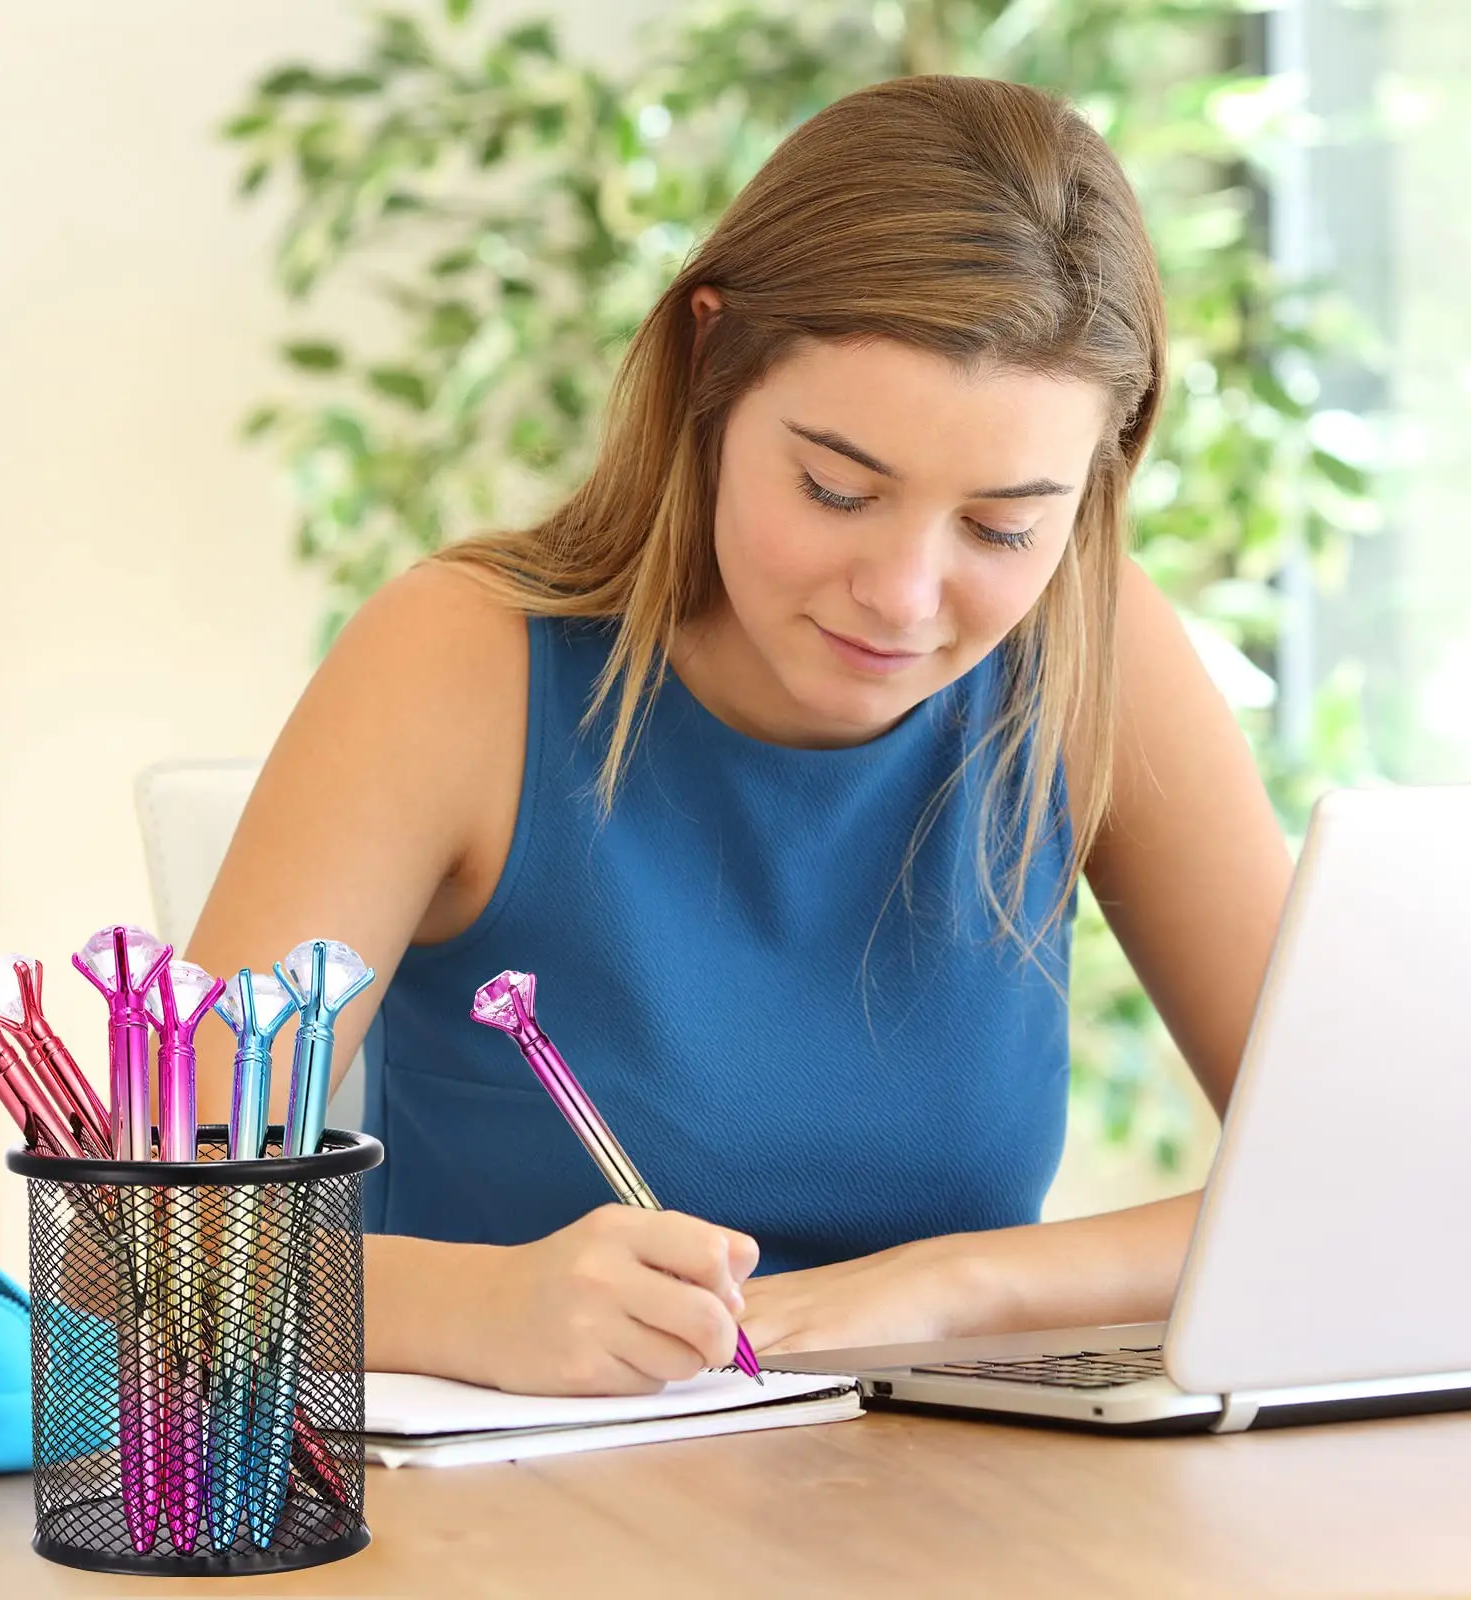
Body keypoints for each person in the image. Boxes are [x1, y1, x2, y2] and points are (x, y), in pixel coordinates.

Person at [188, 74, 1292, 1396]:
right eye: (836, 487)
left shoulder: (1090, 649)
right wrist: (478, 1302)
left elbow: (1385, 1181)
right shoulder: (461, 660)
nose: (902, 593)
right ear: (711, 358)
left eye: (1005, 526)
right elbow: (127, 1238)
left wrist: (932, 1286)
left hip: (943, 1518)